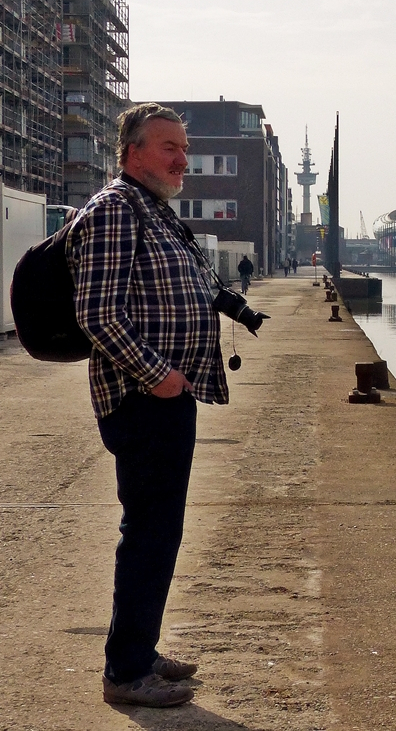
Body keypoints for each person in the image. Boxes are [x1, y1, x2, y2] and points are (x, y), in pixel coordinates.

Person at [66, 103, 229, 708]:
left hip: (166, 397)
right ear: (132, 151)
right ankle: (126, 671)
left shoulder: (153, 210)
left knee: (160, 533)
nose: (182, 158)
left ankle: (139, 648)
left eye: (184, 147)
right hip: (141, 399)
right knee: (149, 533)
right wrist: (159, 376)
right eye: (169, 147)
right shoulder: (113, 212)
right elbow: (98, 313)